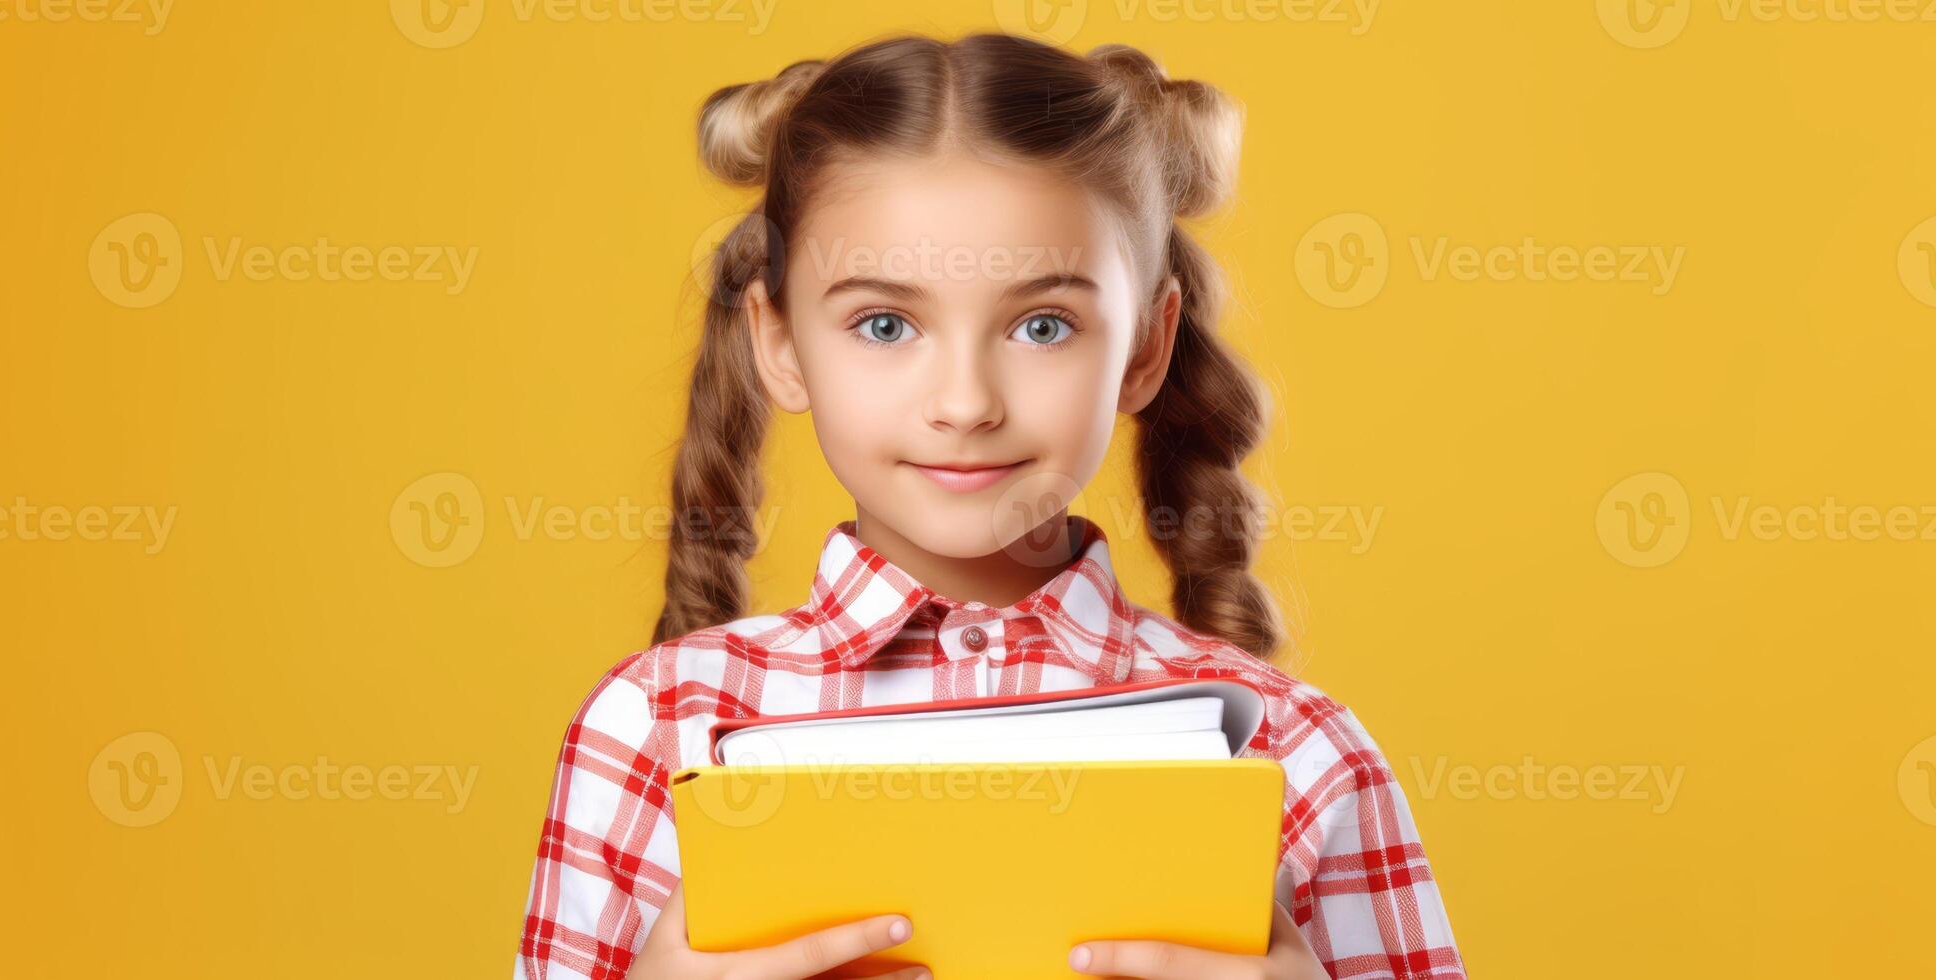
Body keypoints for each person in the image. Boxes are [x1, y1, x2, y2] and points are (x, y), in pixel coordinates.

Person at [512, 31, 1464, 980]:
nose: (966, 403)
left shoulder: (1302, 754)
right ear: (781, 344)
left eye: (1042, 325)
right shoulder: (646, 731)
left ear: (1144, 346)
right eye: (884, 324)